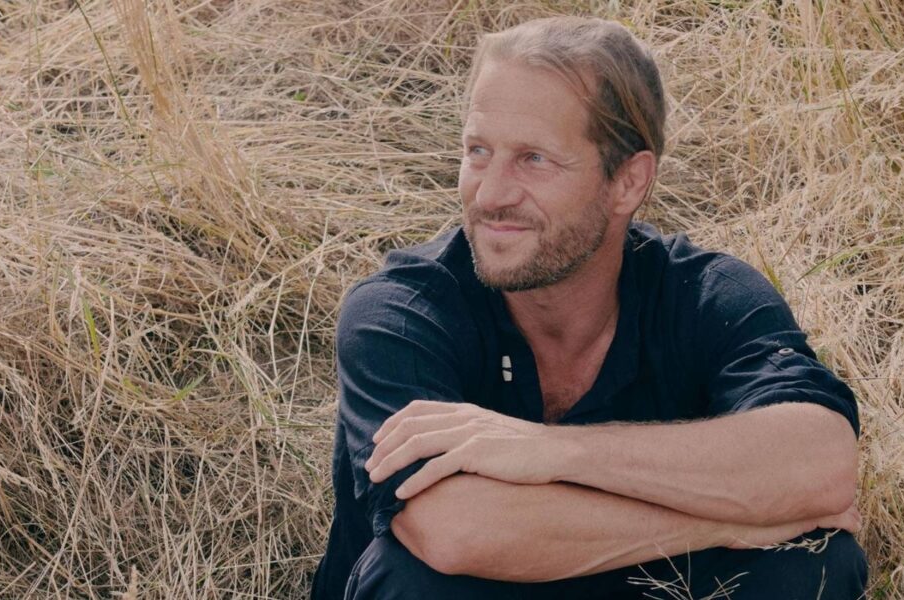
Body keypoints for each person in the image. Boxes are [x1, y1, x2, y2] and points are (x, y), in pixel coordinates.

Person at [311, 16, 867, 600]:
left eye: (533, 159)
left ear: (627, 183)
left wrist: (548, 452)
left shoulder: (704, 296)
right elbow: (456, 529)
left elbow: (821, 461)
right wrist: (727, 521)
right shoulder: (402, 312)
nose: (491, 193)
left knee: (814, 565)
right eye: (478, 151)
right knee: (418, 578)